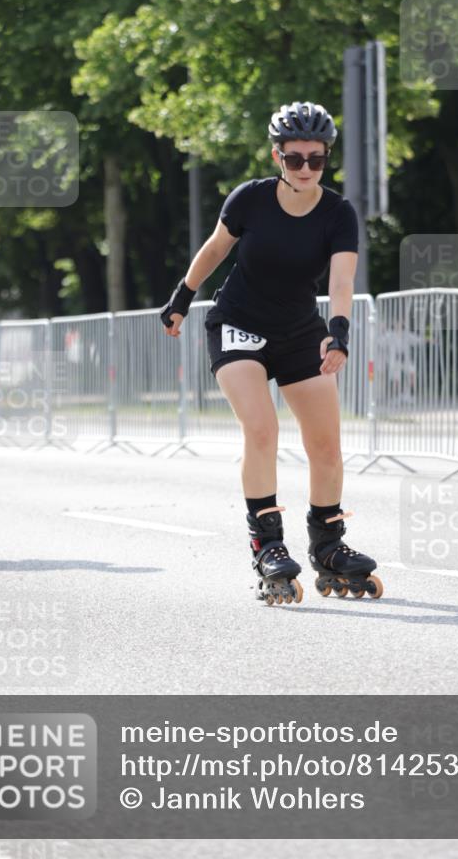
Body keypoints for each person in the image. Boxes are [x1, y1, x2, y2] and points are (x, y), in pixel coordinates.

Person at [161, 101, 382, 606]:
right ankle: (269, 546)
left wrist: (339, 332)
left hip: (300, 330)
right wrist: (181, 297)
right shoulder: (250, 199)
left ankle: (328, 545)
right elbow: (217, 248)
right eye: (294, 158)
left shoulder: (337, 213)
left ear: (326, 159)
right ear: (277, 156)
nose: (305, 168)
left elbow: (342, 278)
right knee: (262, 429)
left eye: (316, 159)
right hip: (238, 323)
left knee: (326, 444)